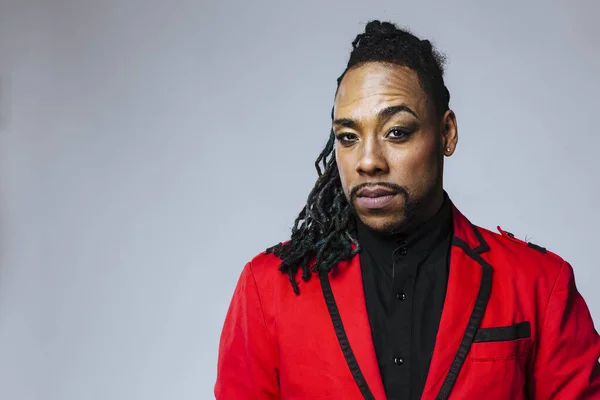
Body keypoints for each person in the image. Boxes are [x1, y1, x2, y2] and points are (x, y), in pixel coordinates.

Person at [214, 20, 600, 399]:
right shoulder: (268, 289)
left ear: (446, 133)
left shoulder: (539, 284)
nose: (367, 161)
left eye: (396, 131)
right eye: (348, 137)